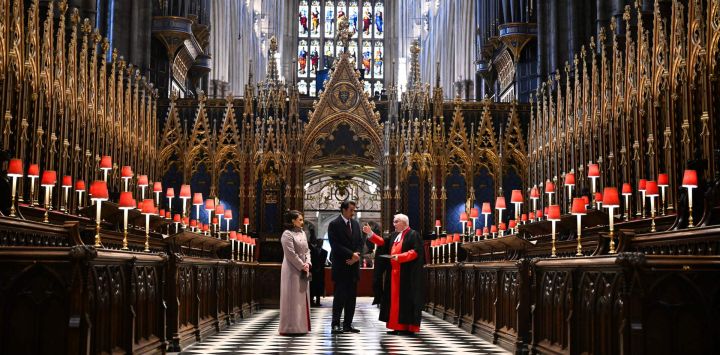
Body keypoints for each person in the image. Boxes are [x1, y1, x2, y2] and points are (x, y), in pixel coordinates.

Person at [363, 213, 425, 335]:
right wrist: (371, 234)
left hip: (407, 275)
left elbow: (415, 252)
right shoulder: (394, 235)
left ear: (404, 222)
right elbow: (382, 243)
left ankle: (406, 328)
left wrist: (400, 257)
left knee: (405, 301)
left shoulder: (413, 234)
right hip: (394, 275)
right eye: (394, 221)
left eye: (396, 221)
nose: (394, 224)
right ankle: (396, 326)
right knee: (393, 301)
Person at [327, 201, 363, 334]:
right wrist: (350, 254)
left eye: (354, 210)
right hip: (341, 266)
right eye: (351, 210)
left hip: (353, 266)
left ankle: (348, 324)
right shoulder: (334, 224)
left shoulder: (355, 224)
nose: (353, 213)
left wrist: (356, 256)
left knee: (351, 298)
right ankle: (335, 324)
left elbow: (360, 242)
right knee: (339, 297)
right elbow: (334, 245)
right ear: (343, 210)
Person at [279, 210, 312, 335]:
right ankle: (290, 327)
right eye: (300, 220)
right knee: (292, 298)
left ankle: (301, 326)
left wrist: (308, 263)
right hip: (292, 270)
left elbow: (307, 250)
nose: (302, 222)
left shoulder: (303, 233)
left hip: (304, 268)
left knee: (302, 298)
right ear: (293, 221)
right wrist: (301, 265)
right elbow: (290, 254)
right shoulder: (287, 234)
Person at [309, 227, 328, 307]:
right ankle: (311, 301)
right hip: (313, 271)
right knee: (312, 286)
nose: (321, 243)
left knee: (320, 286)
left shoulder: (325, 252)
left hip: (320, 271)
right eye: (319, 242)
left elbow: (323, 262)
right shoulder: (312, 250)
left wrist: (319, 267)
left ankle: (318, 301)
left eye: (322, 242)